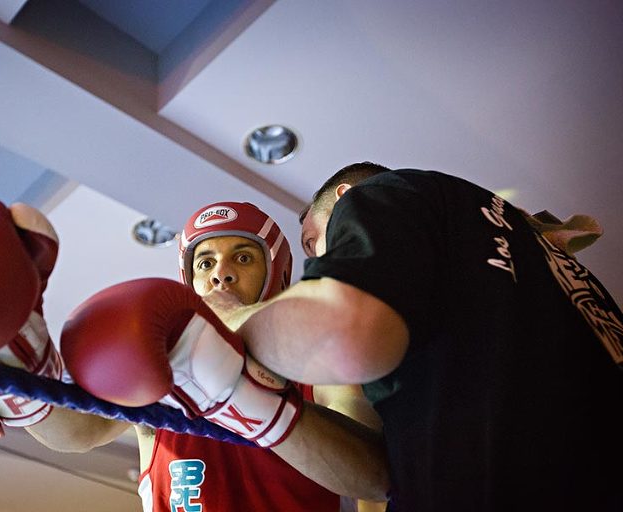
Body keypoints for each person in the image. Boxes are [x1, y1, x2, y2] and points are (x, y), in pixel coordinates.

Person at [0, 198, 388, 511]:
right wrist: (9, 377)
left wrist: (241, 391)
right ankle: (11, 354)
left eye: (242, 257)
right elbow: (75, 434)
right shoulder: (157, 360)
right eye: (204, 261)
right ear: (187, 279)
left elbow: (373, 476)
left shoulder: (319, 365)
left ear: (275, 275)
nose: (220, 273)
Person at [207, 162, 623, 511]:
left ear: (345, 196)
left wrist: (227, 319)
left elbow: (342, 330)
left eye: (313, 242)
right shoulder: (533, 264)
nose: (318, 260)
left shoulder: (381, 195)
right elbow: (381, 476)